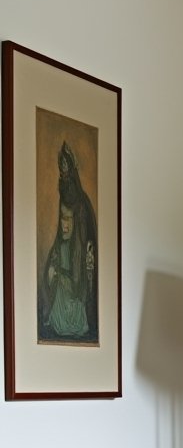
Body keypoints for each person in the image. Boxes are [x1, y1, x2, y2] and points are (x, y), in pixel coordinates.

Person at [38, 142, 98, 343]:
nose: (63, 167)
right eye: (60, 163)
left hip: (77, 236)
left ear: (70, 165)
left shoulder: (80, 202)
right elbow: (63, 214)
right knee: (55, 266)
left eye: (66, 163)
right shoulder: (62, 186)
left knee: (77, 267)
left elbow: (76, 209)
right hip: (67, 236)